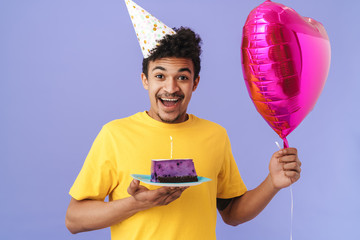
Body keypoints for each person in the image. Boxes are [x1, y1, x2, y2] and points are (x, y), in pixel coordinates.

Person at [65, 26, 301, 239]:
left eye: (182, 77)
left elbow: (231, 213)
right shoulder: (115, 135)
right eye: (160, 76)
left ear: (195, 83)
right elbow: (74, 220)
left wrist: (272, 183)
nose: (171, 88)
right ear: (145, 80)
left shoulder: (215, 135)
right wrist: (136, 204)